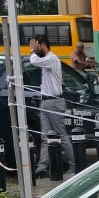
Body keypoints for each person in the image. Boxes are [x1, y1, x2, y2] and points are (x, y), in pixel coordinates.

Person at [26, 35, 74, 174]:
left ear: (43, 45)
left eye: (37, 45)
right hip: (45, 101)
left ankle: (74, 165)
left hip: (54, 101)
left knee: (61, 135)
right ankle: (42, 167)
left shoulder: (52, 58)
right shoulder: (46, 60)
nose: (35, 48)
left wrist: (32, 50)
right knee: (45, 137)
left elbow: (33, 61)